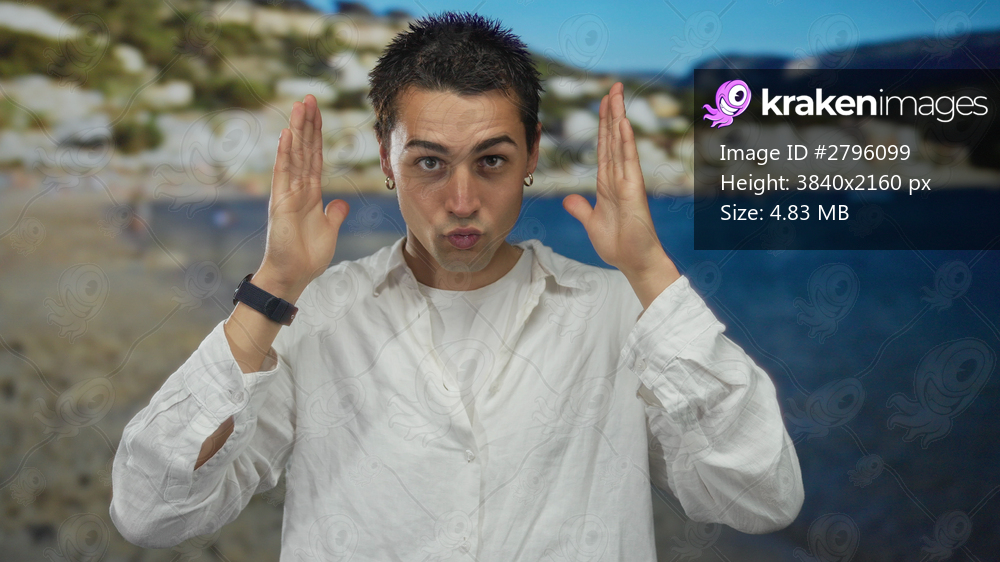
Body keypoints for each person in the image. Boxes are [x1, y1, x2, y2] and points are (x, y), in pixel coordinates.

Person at [110, 11, 803, 559]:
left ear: (532, 154)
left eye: (491, 161)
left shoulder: (620, 314)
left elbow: (761, 497)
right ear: (387, 158)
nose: (463, 201)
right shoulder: (311, 317)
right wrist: (273, 286)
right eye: (430, 163)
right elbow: (152, 511)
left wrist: (651, 272)